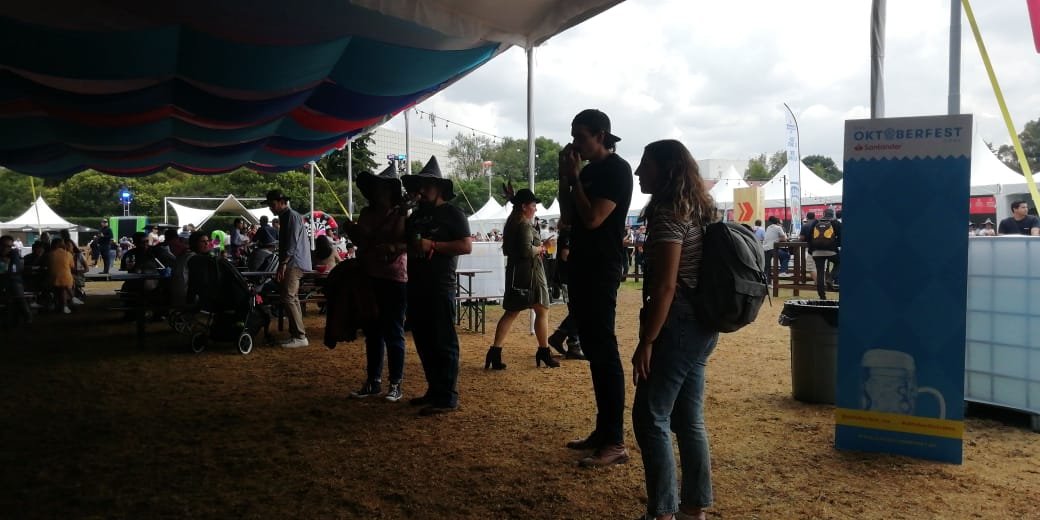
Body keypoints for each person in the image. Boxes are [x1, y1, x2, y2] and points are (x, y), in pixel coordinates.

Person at [631, 139, 719, 520]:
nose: (638, 172)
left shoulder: (669, 213)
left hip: (677, 324)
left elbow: (666, 286)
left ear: (666, 170)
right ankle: (693, 508)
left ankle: (662, 512)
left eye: (645, 165)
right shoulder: (696, 209)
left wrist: (647, 341)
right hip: (701, 324)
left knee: (650, 416)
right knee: (688, 420)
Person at [558, 109, 633, 467]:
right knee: (593, 348)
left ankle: (615, 441)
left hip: (602, 266)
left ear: (601, 135)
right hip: (582, 264)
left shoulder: (616, 170)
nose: (575, 143)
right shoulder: (587, 172)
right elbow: (568, 216)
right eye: (573, 136)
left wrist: (575, 179)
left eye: (581, 136)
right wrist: (567, 178)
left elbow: (593, 218)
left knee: (603, 349)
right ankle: (604, 432)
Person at [402, 156, 472, 416]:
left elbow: (466, 246)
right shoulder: (416, 215)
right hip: (416, 284)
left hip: (440, 285)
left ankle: (447, 396)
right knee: (424, 341)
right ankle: (434, 389)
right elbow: (406, 242)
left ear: (440, 188)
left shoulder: (453, 213)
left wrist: (433, 245)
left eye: (427, 185)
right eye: (419, 185)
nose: (422, 190)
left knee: (443, 341)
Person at [344, 165, 409, 402]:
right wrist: (351, 230)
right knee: (372, 332)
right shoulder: (367, 213)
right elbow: (361, 241)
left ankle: (395, 383)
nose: (376, 191)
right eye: (374, 187)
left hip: (394, 277)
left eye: (380, 187)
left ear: (390, 189)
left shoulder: (401, 213)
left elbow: (404, 241)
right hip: (369, 276)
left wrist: (391, 243)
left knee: (393, 331)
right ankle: (373, 381)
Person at [485, 188, 558, 370]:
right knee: (542, 309)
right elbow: (526, 250)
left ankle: (495, 352)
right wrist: (543, 247)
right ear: (524, 207)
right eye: (533, 205)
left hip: (516, 273)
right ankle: (543, 351)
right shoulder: (524, 224)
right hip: (530, 274)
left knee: (511, 312)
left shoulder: (512, 223)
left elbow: (511, 250)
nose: (535, 208)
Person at [266, 189, 312, 348]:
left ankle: (300, 336)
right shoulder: (287, 216)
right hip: (294, 261)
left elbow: (292, 242)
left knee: (288, 297)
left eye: (272, 204)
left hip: (294, 262)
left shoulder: (291, 216)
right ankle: (297, 335)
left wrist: (283, 263)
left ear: (281, 202)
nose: (271, 208)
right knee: (292, 297)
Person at [806, 208, 841, 299]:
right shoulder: (836, 223)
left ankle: (822, 296)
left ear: (823, 214)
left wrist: (812, 250)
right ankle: (830, 278)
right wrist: (835, 245)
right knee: (840, 262)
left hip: (816, 252)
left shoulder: (816, 222)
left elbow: (809, 237)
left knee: (820, 273)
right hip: (831, 251)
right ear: (833, 215)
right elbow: (841, 237)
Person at [0, 235, 32, 326]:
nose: (6, 248)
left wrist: (5, 267)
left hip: (12, 279)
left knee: (16, 288)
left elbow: (14, 270)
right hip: (4, 279)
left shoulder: (13, 253)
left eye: (9, 246)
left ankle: (27, 315)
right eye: (4, 245)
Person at [46, 238, 74, 314]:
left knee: (57, 288)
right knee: (63, 288)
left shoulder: (49, 254)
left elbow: (47, 266)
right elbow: (72, 267)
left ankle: (56, 305)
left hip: (52, 279)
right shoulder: (68, 254)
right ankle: (65, 305)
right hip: (67, 279)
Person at [762, 216, 789, 283]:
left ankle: (767, 282)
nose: (781, 225)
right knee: (786, 256)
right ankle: (783, 271)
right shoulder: (778, 227)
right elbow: (784, 239)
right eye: (780, 223)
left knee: (767, 266)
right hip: (773, 248)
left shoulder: (768, 227)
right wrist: (779, 239)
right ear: (777, 223)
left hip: (765, 248)